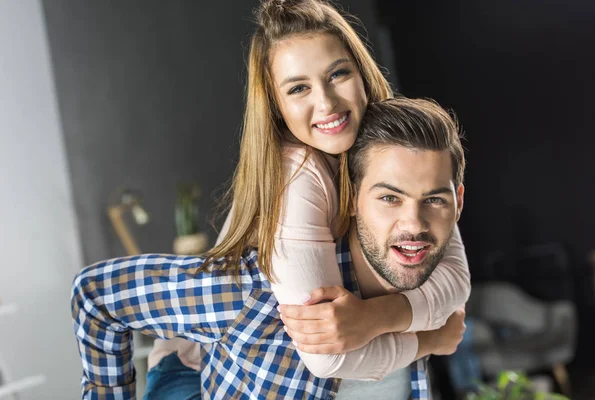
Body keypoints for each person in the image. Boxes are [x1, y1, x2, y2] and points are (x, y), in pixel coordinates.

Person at [144, 1, 470, 394]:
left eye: (338, 74)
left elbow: (454, 276)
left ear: (361, 73)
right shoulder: (297, 174)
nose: (327, 102)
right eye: (299, 88)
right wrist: (430, 338)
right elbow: (327, 355)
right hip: (195, 377)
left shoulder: (388, 147)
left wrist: (376, 317)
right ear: (276, 105)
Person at [72, 96, 468, 399]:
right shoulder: (259, 286)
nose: (414, 225)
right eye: (389, 198)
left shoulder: (428, 283)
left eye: (435, 200)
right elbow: (96, 296)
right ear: (351, 197)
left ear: (458, 203)